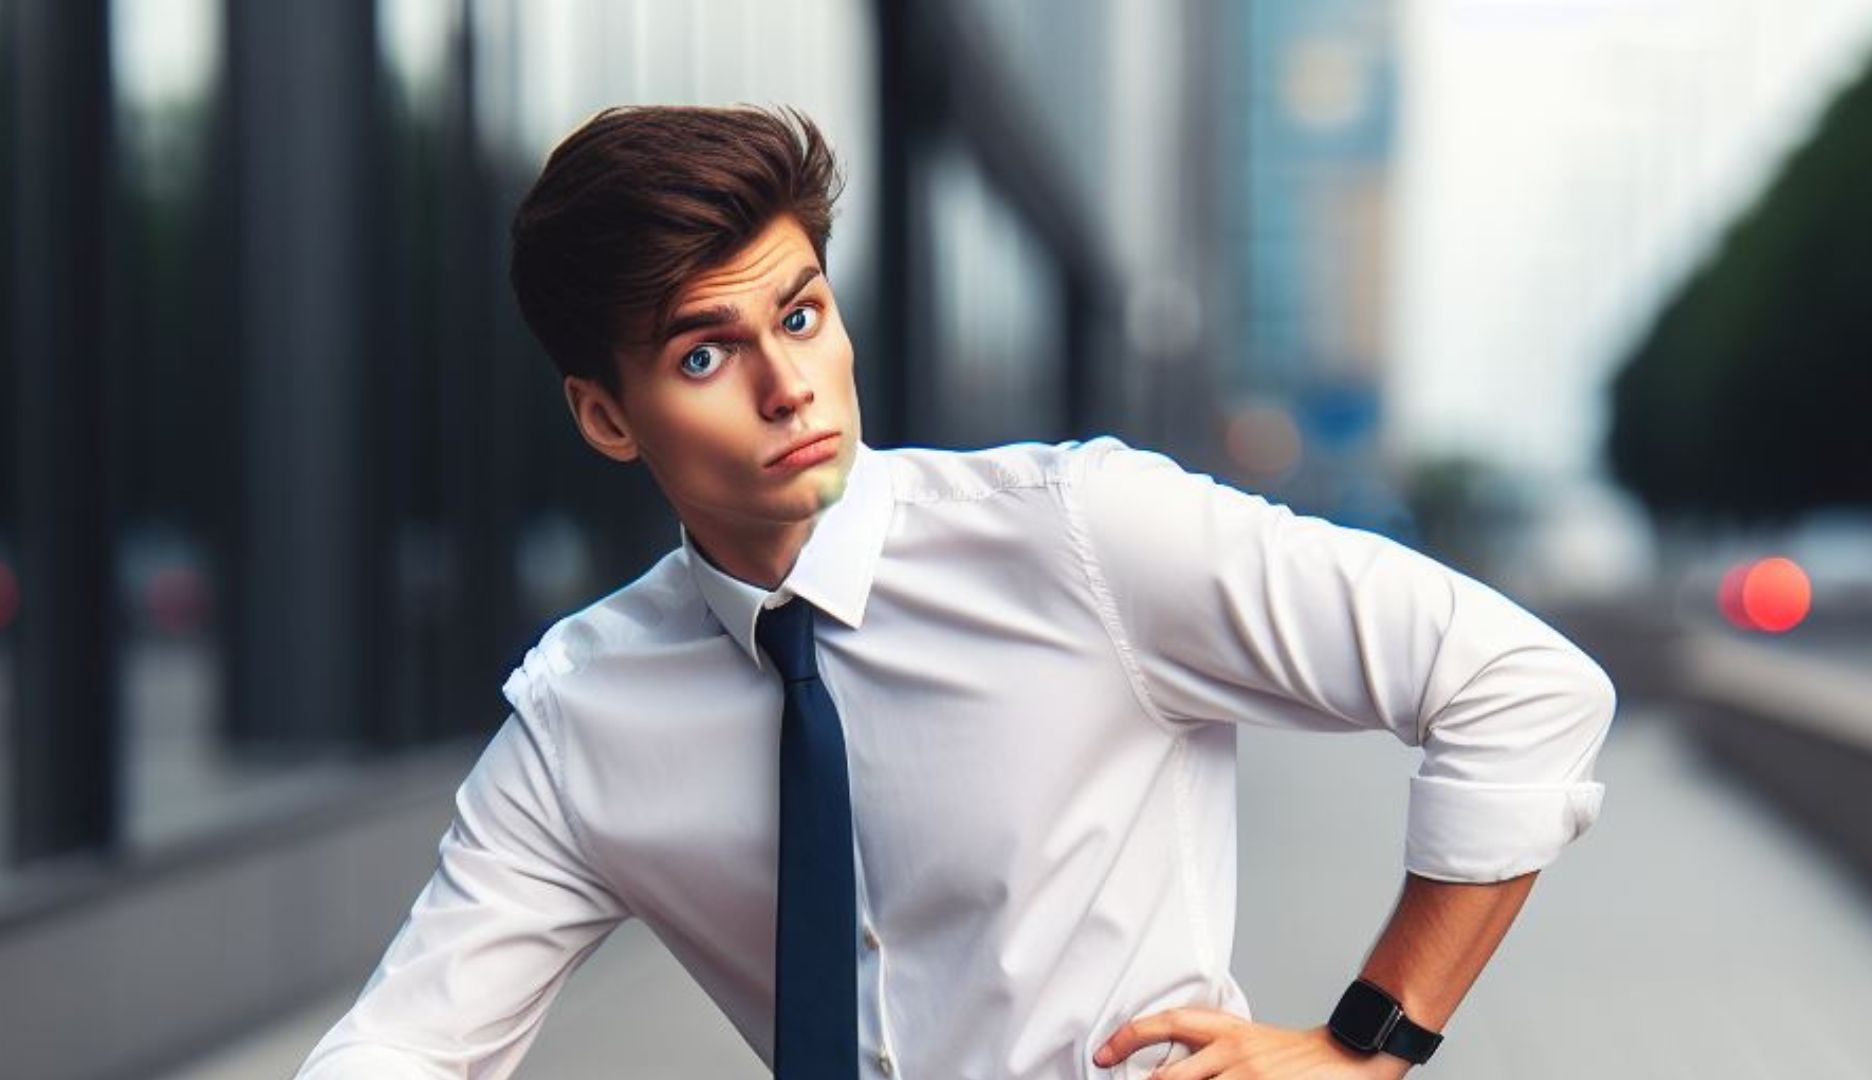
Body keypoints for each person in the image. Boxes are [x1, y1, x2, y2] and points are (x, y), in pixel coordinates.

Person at [295, 104, 1615, 1080]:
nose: (786, 386)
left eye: (801, 315)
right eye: (708, 353)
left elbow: (1522, 687)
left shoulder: (1081, 537)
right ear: (606, 418)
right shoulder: (589, 714)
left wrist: (1363, 1046)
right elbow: (409, 1045)